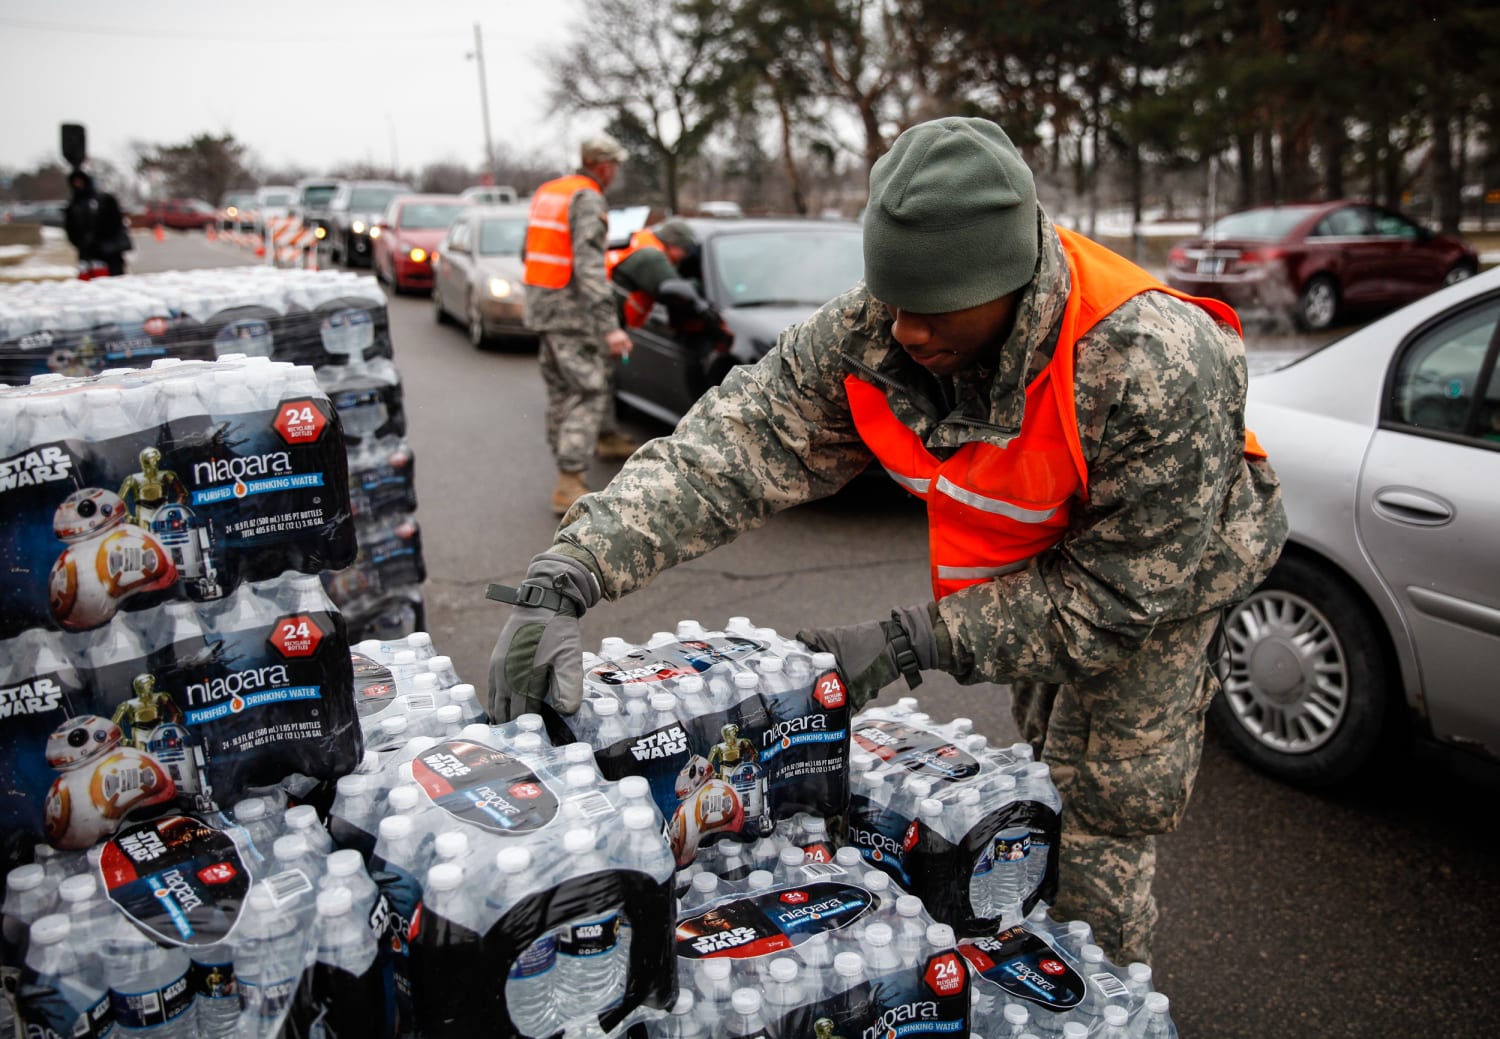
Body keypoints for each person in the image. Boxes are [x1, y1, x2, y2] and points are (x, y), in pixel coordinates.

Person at [488, 116, 1288, 965]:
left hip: (1161, 574)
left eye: (935, 306)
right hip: (1032, 556)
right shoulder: (877, 329)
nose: (907, 330)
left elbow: (1119, 596)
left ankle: (1102, 996)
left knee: (1103, 802)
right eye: (893, 298)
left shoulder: (1154, 361)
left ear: (1011, 282)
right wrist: (568, 570)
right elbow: (736, 445)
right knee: (1039, 777)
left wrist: (917, 638)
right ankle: (1022, 938)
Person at [522, 132, 639, 515]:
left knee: (561, 390)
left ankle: (601, 440)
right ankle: (569, 480)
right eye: (616, 166)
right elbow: (590, 267)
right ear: (603, 165)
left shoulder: (550, 191)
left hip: (544, 307)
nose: (616, 172)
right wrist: (610, 327)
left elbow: (529, 250)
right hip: (573, 313)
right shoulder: (587, 198)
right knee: (587, 391)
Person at [63, 170, 131, 277]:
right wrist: (82, 243)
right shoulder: (73, 206)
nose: (78, 185)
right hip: (88, 252)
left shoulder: (105, 200)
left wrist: (100, 238)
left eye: (80, 182)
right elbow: (71, 228)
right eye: (75, 183)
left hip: (110, 251)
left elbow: (115, 222)